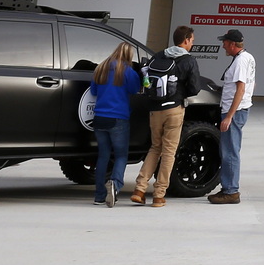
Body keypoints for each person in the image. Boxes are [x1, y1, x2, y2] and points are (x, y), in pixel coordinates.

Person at [132, 25, 200, 205]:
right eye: (192, 40)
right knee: (169, 152)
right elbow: (195, 88)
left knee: (155, 148)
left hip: (155, 110)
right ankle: (159, 194)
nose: (192, 44)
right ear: (186, 40)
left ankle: (139, 189)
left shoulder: (159, 55)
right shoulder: (188, 60)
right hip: (174, 110)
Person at [89, 41, 140, 207]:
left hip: (99, 118)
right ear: (128, 55)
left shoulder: (101, 68)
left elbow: (94, 91)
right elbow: (135, 89)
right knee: (121, 155)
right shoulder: (128, 71)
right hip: (118, 118)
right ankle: (115, 184)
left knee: (103, 155)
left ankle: (99, 196)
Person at [210, 29, 255, 204]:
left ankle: (231, 191)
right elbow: (250, 85)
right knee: (230, 149)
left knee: (229, 151)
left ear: (232, 44)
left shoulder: (240, 61)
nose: (223, 46)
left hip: (234, 111)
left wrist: (229, 116)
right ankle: (228, 188)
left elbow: (241, 89)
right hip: (239, 109)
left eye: (225, 42)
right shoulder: (247, 57)